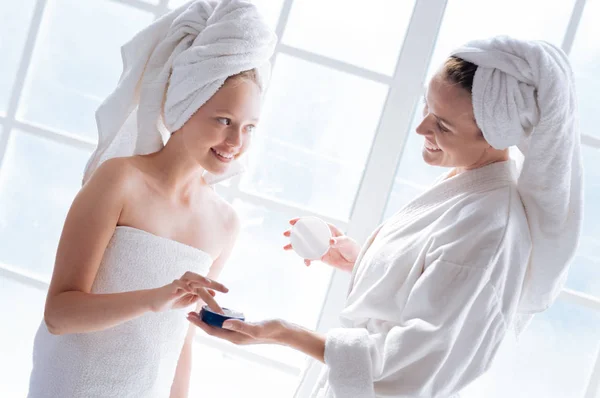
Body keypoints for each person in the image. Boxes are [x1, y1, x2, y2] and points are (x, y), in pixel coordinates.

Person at [188, 36, 583, 397]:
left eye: (442, 125)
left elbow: (415, 359)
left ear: (496, 135)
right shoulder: (468, 184)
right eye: (427, 106)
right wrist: (362, 261)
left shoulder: (490, 226)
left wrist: (281, 333)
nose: (421, 126)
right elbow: (432, 288)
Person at [27, 1, 276, 397]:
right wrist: (154, 299)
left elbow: (181, 341)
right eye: (223, 120)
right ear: (184, 105)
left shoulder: (224, 224)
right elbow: (59, 314)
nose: (235, 143)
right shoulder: (120, 180)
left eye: (249, 128)